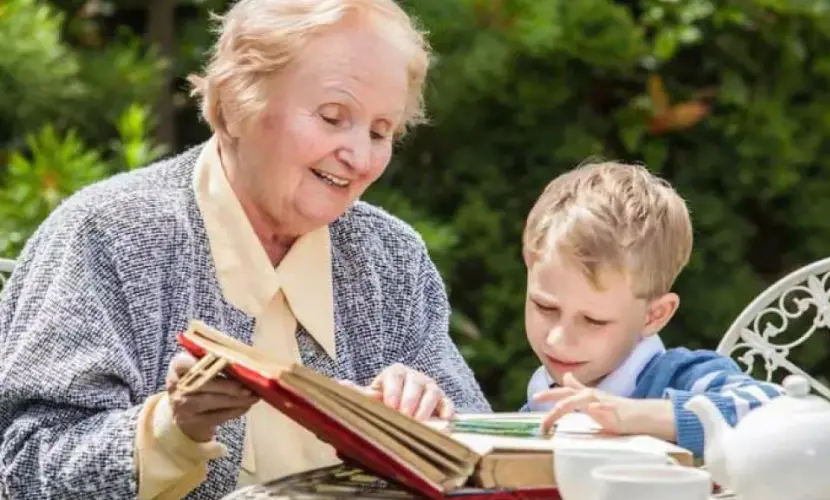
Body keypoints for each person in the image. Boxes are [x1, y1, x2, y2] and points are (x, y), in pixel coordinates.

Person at [0, 1, 490, 498]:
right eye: (333, 117)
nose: (360, 157)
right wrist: (171, 427)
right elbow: (21, 469)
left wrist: (430, 419)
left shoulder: (392, 257)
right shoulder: (108, 234)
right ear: (236, 104)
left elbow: (486, 463)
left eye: (381, 132)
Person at [518, 161, 783, 458]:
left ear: (654, 315)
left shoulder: (681, 377)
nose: (557, 339)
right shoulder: (539, 398)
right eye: (545, 306)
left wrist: (639, 416)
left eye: (593, 321)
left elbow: (779, 411)